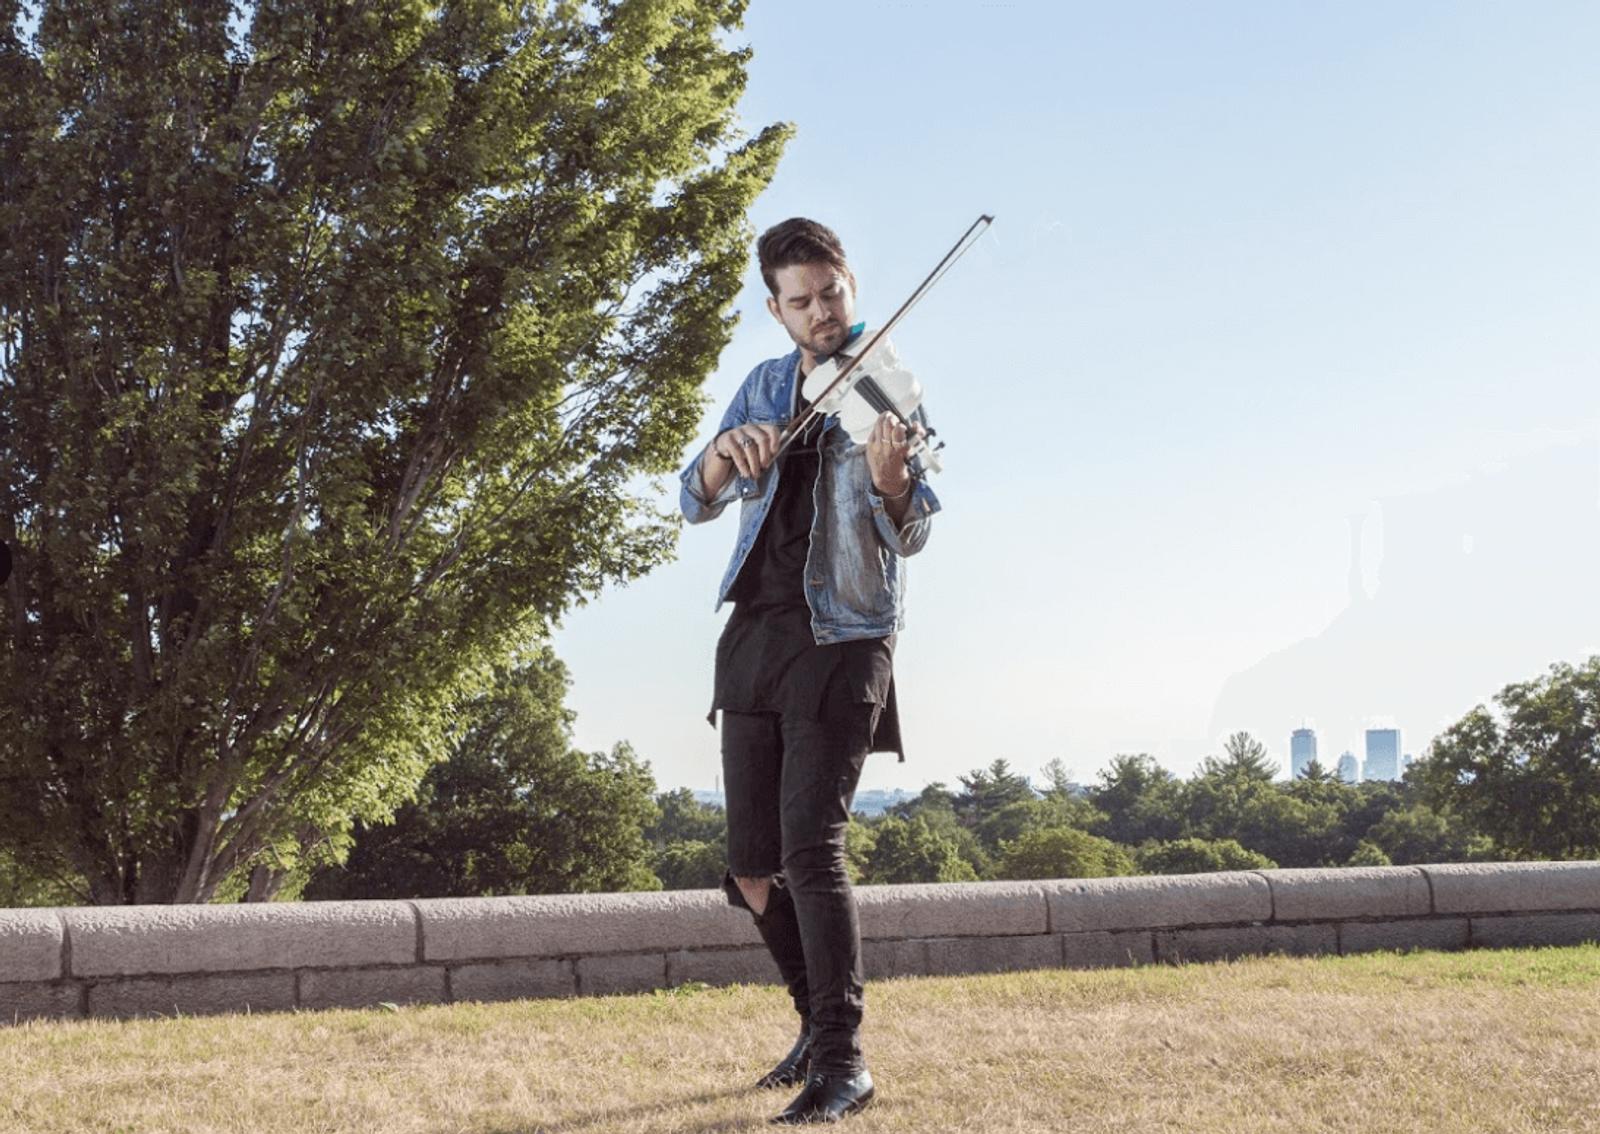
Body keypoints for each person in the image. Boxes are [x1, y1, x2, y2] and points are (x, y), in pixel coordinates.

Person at [678, 218, 940, 1125]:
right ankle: (812, 1030)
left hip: (845, 635)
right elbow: (693, 498)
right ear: (776, 307)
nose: (825, 314)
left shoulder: (888, 385)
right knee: (750, 872)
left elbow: (918, 522)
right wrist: (722, 457)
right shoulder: (759, 384)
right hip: (755, 632)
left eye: (834, 293)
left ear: (850, 282)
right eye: (804, 302)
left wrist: (895, 480)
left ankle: (845, 1060)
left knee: (809, 852)